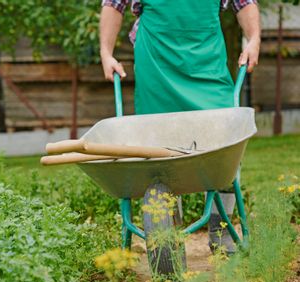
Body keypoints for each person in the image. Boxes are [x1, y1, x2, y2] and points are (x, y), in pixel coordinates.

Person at [100, 0, 260, 254]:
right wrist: (106, 53)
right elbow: (113, 4)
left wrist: (253, 40)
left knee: (226, 140)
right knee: (159, 150)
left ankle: (220, 230)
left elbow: (245, 3)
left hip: (206, 63)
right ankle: (168, 232)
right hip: (157, 63)